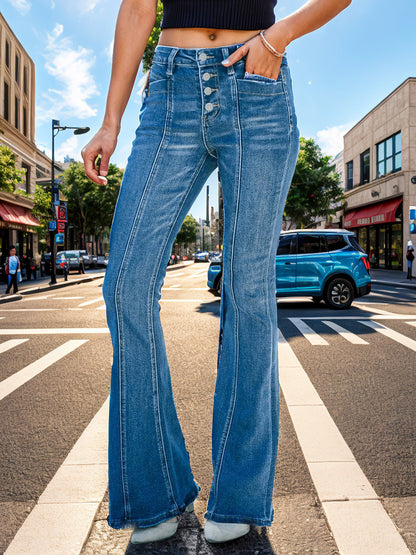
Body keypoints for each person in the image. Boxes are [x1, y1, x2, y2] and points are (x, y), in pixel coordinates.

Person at [81, 0, 352, 544]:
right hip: (171, 89)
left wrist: (280, 37)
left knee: (249, 291)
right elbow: (137, 6)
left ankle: (239, 495)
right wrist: (109, 120)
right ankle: (154, 493)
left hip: (257, 82)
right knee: (125, 284)